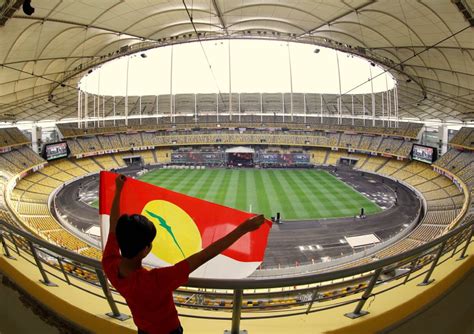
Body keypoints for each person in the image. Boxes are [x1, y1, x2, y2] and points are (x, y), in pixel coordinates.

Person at [102, 174, 265, 334]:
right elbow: (204, 255)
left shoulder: (109, 264)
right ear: (145, 250)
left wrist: (118, 190)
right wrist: (243, 229)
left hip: (143, 329)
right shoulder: (156, 281)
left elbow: (114, 225)